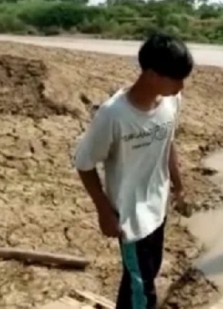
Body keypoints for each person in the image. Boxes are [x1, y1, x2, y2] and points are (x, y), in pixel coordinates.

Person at [73, 33, 193, 308]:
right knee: (142, 290)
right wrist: (104, 210)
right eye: (176, 78)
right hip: (131, 217)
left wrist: (179, 186)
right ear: (152, 74)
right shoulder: (113, 115)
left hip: (158, 208)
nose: (181, 85)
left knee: (141, 280)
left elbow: (168, 143)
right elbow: (84, 164)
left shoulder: (171, 102)